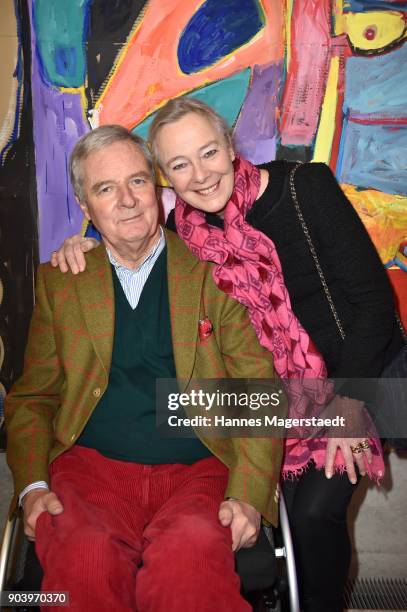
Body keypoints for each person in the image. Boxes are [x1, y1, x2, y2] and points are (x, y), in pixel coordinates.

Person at [54, 99, 404, 612]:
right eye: (179, 165)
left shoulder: (303, 188)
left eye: (209, 152)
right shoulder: (181, 230)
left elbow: (374, 303)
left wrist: (349, 404)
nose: (199, 175)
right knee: (222, 481)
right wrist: (82, 246)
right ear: (164, 176)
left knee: (311, 514)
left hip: (349, 376)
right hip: (259, 390)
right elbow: (128, 239)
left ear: (230, 145)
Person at [5, 125, 284, 612]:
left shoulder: (212, 273)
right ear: (86, 206)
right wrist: (31, 486)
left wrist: (248, 493)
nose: (127, 200)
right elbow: (34, 399)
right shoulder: (61, 282)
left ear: (157, 191)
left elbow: (256, 390)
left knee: (191, 571)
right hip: (89, 473)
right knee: (82, 570)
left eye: (137, 182)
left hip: (198, 470)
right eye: (105, 188)